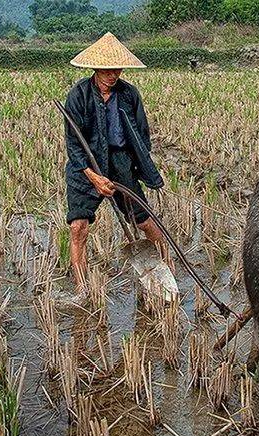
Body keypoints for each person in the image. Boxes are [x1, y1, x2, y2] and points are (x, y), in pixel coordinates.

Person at [63, 32, 169, 293]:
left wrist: (135, 166)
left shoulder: (129, 94)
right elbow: (74, 145)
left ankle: (168, 269)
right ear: (96, 68)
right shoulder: (78, 96)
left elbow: (142, 134)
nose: (113, 75)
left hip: (120, 161)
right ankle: (82, 287)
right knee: (78, 226)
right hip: (86, 165)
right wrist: (94, 176)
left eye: (117, 70)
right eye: (108, 70)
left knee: (143, 220)